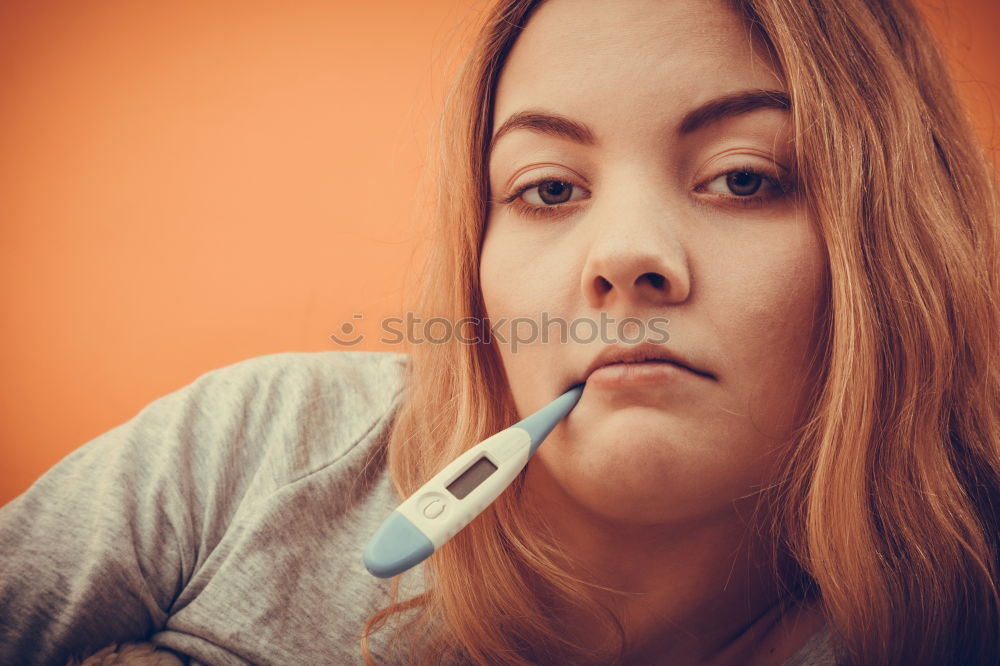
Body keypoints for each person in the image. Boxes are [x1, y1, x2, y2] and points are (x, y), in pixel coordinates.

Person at [1, 0, 997, 664]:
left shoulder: (966, 614)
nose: (625, 256)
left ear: (888, 242)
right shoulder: (255, 451)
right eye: (549, 188)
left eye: (744, 176)